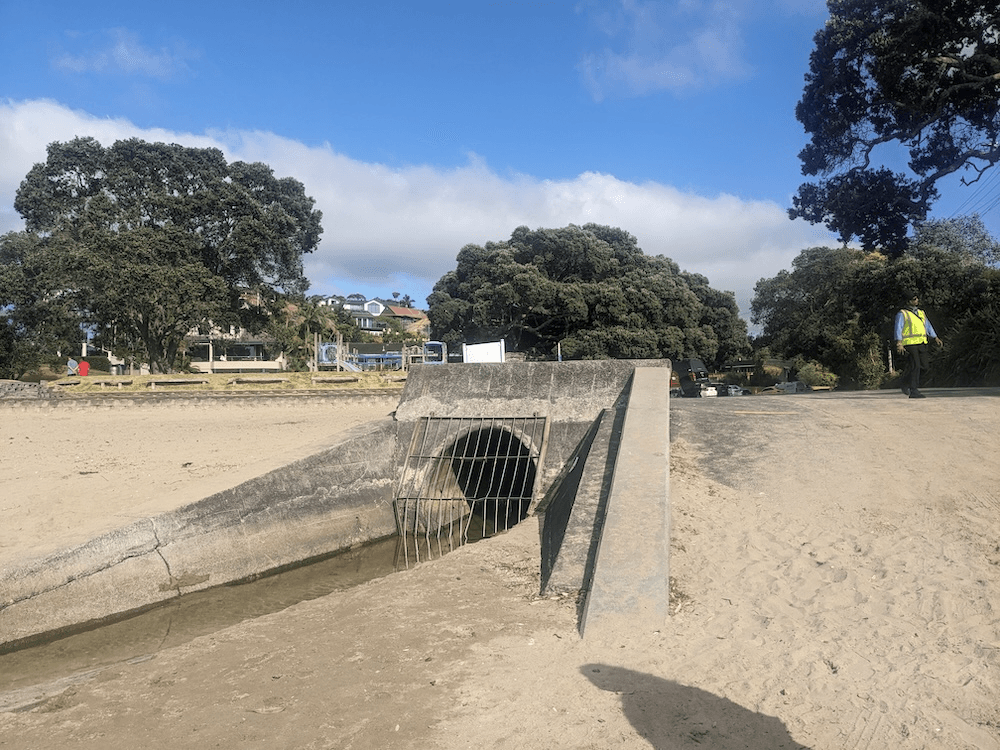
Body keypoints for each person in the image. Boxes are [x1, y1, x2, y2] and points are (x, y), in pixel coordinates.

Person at [894, 292, 943, 399]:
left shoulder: (921, 313)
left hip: (921, 342)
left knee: (925, 367)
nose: (917, 301)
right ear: (908, 301)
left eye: (917, 299)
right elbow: (898, 328)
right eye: (914, 299)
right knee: (915, 366)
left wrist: (935, 337)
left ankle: (904, 381)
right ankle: (914, 390)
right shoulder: (902, 314)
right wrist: (899, 343)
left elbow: (928, 326)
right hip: (910, 344)